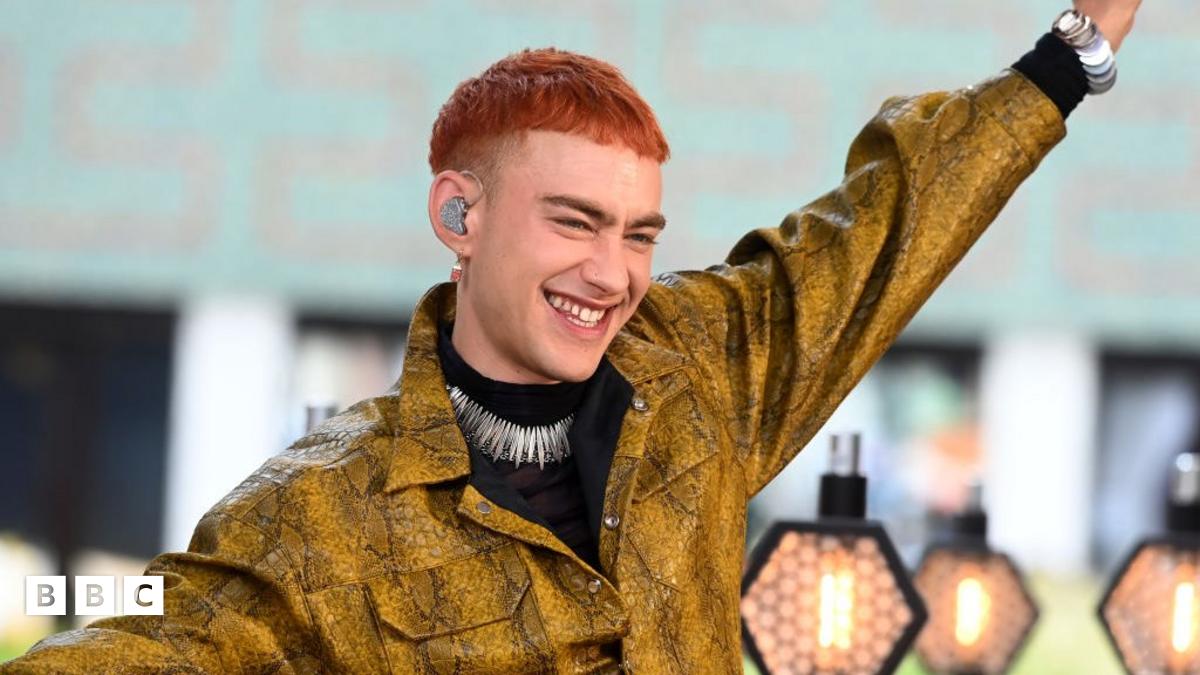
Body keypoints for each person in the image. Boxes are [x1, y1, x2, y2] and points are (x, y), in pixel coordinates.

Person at [2, 1, 1142, 673]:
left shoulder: (699, 369)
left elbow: (881, 229)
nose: (614, 274)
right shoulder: (317, 512)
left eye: (639, 233)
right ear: (459, 215)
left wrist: (1073, 51)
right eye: (575, 222)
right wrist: (54, 593)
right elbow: (141, 627)